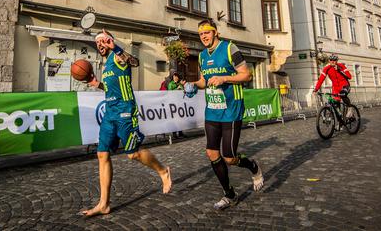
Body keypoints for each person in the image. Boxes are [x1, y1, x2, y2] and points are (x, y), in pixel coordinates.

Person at [81, 30, 172, 216]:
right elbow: (110, 87)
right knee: (102, 154)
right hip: (109, 113)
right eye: (97, 41)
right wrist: (96, 83)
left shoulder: (118, 56)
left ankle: (163, 171)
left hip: (125, 111)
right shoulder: (106, 66)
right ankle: (104, 204)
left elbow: (135, 62)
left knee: (133, 154)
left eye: (103, 40)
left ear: (110, 41)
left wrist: (116, 48)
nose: (100, 44)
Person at [185, 19, 263, 210]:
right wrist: (194, 84)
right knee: (211, 152)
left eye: (207, 32)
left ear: (215, 33)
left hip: (231, 110)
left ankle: (253, 166)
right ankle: (230, 195)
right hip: (212, 110)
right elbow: (205, 80)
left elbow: (247, 75)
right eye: (201, 34)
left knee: (229, 157)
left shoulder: (230, 48)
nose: (204, 36)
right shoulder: (202, 56)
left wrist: (225, 78)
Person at [167, 71, 186, 138]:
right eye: (174, 76)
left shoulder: (179, 84)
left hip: (179, 103)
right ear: (172, 77)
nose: (176, 78)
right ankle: (174, 133)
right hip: (173, 103)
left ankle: (180, 132)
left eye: (177, 76)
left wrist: (183, 86)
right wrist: (176, 89)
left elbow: (183, 91)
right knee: (174, 119)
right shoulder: (171, 84)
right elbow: (169, 92)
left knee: (180, 118)